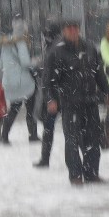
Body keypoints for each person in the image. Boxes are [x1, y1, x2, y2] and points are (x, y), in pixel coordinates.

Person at [43, 19, 109, 185]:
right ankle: (75, 175)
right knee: (72, 141)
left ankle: (91, 173)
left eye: (75, 28)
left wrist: (106, 91)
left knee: (92, 139)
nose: (73, 31)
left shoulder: (89, 47)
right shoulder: (56, 52)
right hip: (69, 103)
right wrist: (51, 99)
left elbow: (98, 72)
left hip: (90, 101)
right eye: (69, 29)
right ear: (64, 31)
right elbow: (48, 80)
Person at [0, 17, 39, 144]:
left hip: (10, 82)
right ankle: (33, 135)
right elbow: (25, 62)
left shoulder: (6, 42)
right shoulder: (20, 41)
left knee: (14, 109)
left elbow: (1, 64)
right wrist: (36, 61)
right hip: (23, 82)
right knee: (31, 108)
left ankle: (4, 135)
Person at [33, 19, 62, 168]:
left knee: (49, 128)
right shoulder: (57, 45)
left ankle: (45, 159)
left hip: (55, 95)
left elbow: (49, 72)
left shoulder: (53, 47)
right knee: (70, 129)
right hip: (59, 93)